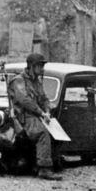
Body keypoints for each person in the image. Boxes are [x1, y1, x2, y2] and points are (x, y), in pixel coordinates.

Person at [7, 53, 62, 181]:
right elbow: (25, 100)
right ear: (32, 67)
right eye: (40, 66)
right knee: (42, 133)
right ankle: (44, 169)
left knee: (56, 131)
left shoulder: (36, 81)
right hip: (24, 117)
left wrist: (47, 111)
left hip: (36, 115)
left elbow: (44, 98)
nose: (43, 69)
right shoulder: (18, 81)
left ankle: (46, 162)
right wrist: (41, 113)